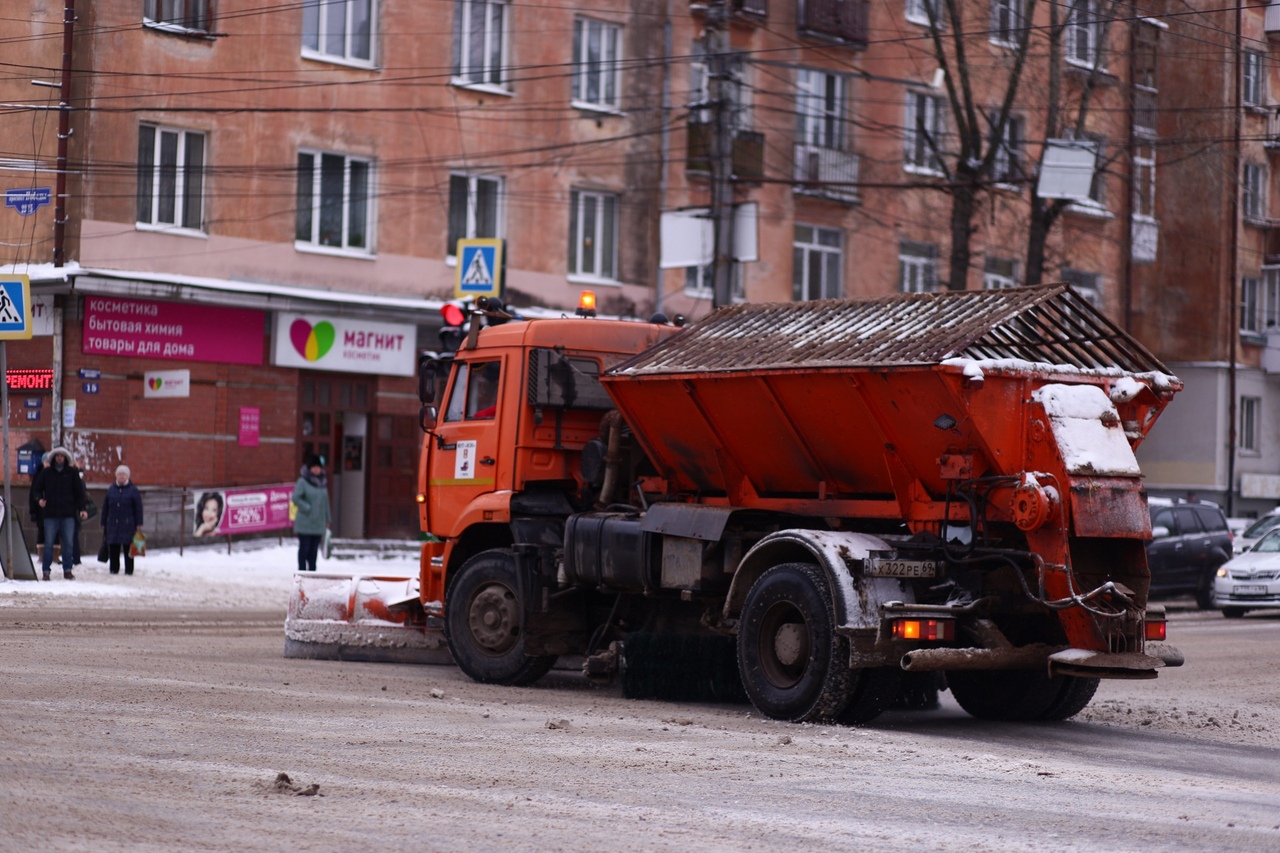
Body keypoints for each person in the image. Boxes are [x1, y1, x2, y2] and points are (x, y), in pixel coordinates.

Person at [32, 446, 87, 580]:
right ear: (53, 458)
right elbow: (37, 489)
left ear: (65, 458)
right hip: (51, 513)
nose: (59, 458)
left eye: (62, 456)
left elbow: (79, 493)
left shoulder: (72, 473)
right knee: (49, 543)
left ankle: (67, 570)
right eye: (57, 456)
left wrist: (82, 509)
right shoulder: (46, 473)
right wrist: (39, 500)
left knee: (68, 543)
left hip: (68, 513)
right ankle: (46, 571)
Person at [101, 465, 144, 576]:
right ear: (116, 476)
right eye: (119, 474)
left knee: (128, 547)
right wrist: (103, 521)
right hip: (113, 524)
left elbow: (138, 508)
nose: (121, 476)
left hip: (128, 524)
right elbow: (105, 507)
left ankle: (129, 570)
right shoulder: (111, 490)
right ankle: (114, 569)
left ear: (127, 476)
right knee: (114, 547)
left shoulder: (133, 490)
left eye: (124, 474)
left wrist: (139, 523)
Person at [291, 454, 331, 572]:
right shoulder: (303, 482)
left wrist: (328, 519)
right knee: (305, 549)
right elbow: (296, 498)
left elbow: (326, 502)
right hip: (305, 523)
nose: (316, 469)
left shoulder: (322, 482)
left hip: (318, 523)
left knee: (314, 551)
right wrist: (307, 508)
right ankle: (302, 573)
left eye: (318, 467)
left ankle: (312, 574)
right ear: (309, 468)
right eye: (313, 467)